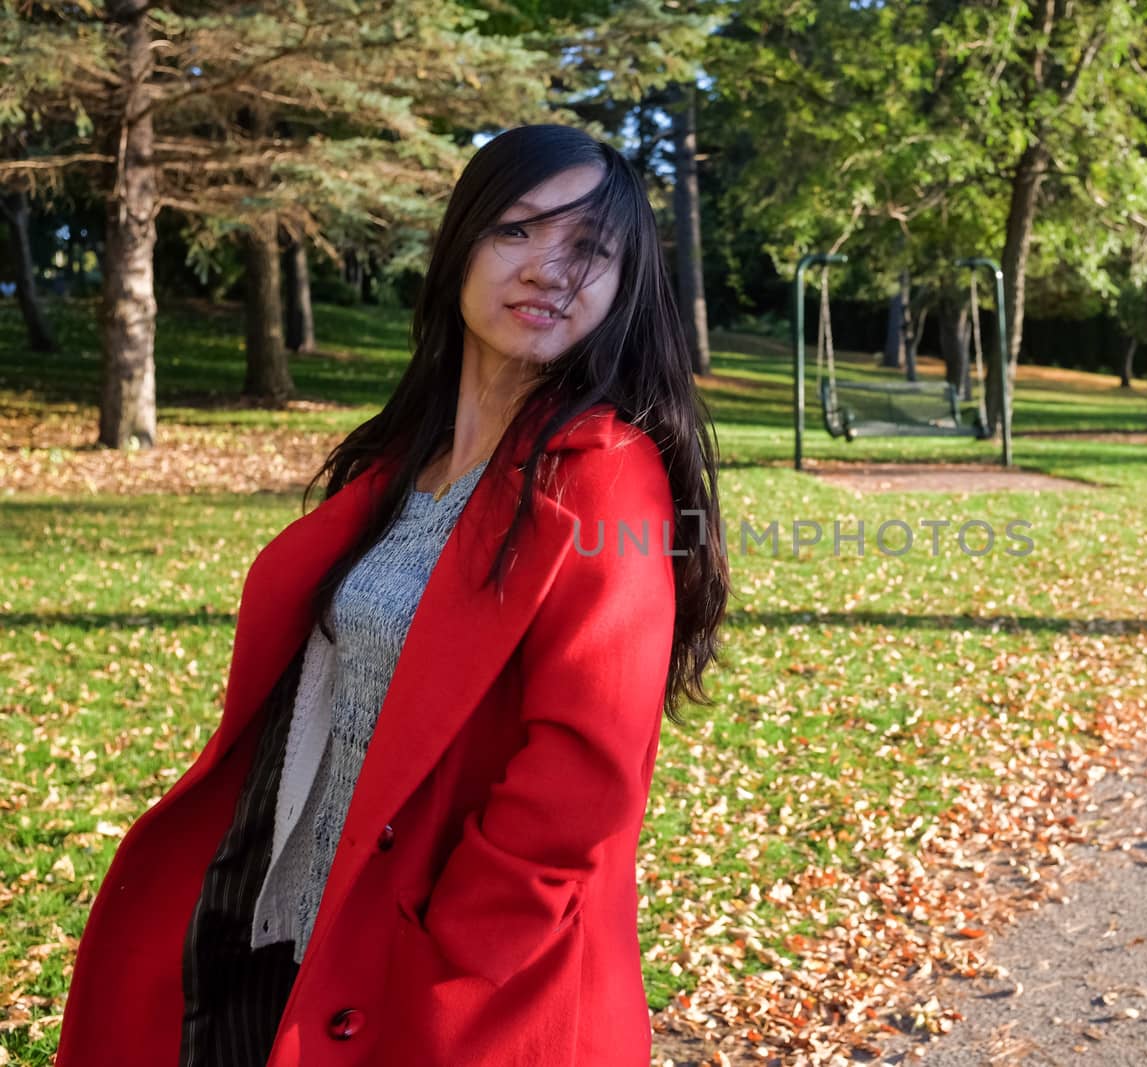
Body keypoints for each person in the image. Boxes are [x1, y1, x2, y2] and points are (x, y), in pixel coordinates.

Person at [54, 124, 729, 1066]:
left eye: (589, 251)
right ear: (461, 246)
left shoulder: (603, 474)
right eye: (518, 232)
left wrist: (453, 942)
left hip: (460, 986)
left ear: (621, 290)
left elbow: (587, 768)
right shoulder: (400, 463)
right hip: (302, 917)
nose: (550, 269)